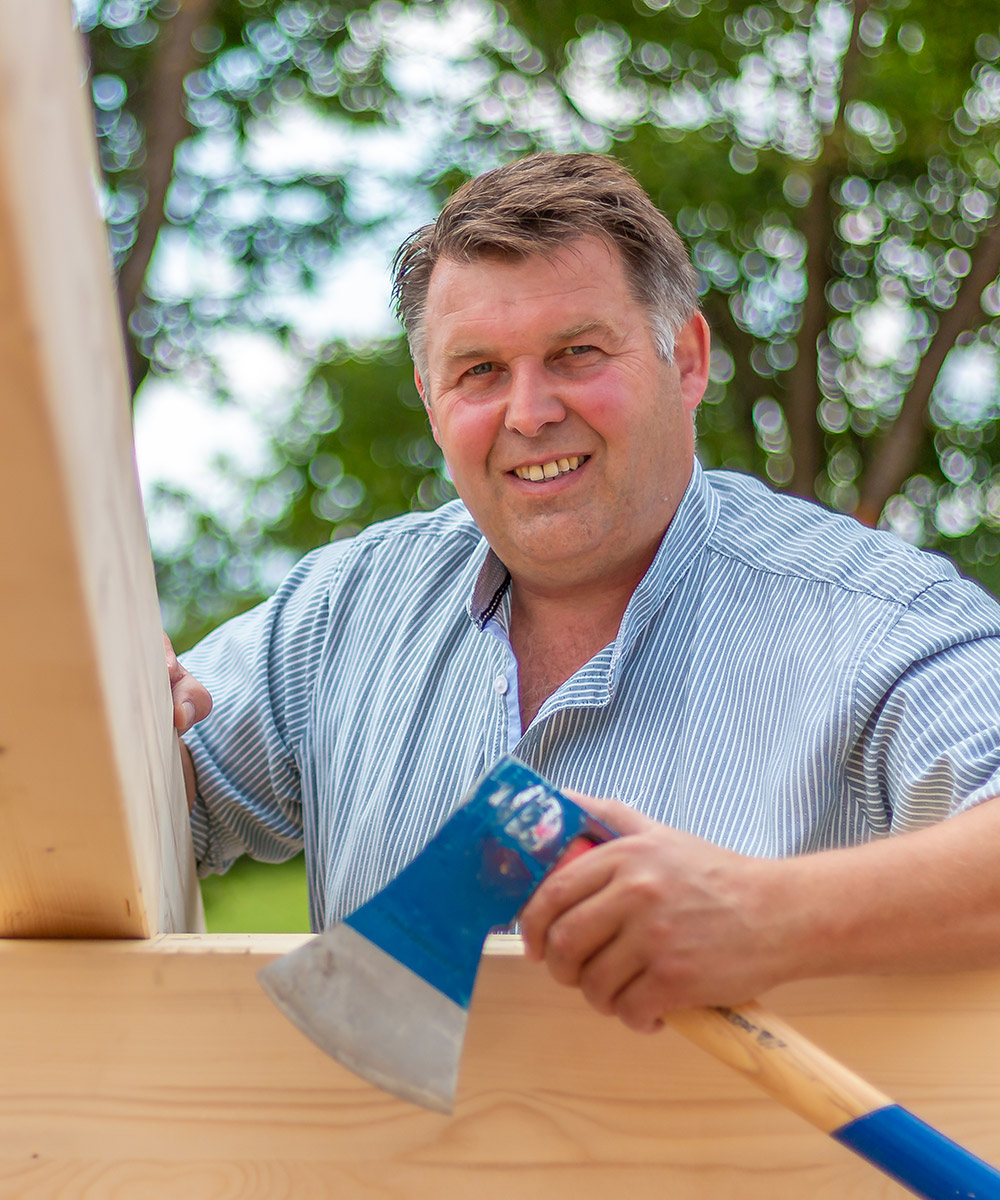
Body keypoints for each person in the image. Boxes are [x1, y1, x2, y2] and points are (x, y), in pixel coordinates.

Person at [169, 152, 1000, 1036]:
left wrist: (769, 914)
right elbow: (129, 799)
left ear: (684, 359)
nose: (529, 413)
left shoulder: (873, 619)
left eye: (576, 353)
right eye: (480, 371)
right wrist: (95, 724)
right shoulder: (346, 612)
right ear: (430, 398)